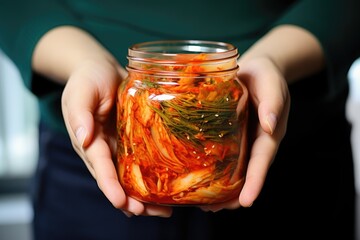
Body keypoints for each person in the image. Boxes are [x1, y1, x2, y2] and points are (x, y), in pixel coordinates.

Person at [1, 0, 359, 239]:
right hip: (90, 158)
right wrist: (80, 61)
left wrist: (275, 59)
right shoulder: (134, 92)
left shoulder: (234, 89)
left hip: (297, 170)